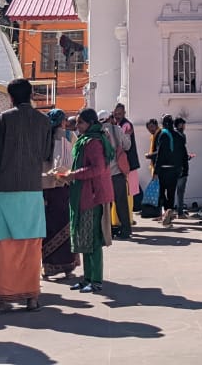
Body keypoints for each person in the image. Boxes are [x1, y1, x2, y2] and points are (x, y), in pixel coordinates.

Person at [0, 78, 51, 313]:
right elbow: (46, 153)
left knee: (6, 245)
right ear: (31, 95)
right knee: (31, 244)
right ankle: (32, 297)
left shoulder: (5, 118)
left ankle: (3, 298)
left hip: (8, 188)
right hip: (33, 188)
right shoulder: (44, 121)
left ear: (11, 97)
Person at [59, 107, 114, 293]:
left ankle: (96, 280)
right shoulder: (85, 140)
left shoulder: (94, 142)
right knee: (84, 239)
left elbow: (97, 168)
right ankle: (87, 278)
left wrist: (73, 175)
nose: (78, 126)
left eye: (81, 123)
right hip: (84, 194)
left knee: (93, 241)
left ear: (90, 123)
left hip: (92, 195)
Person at [43, 110, 79, 278]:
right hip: (62, 185)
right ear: (63, 121)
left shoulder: (42, 137)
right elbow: (76, 157)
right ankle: (67, 266)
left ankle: (47, 266)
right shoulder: (69, 135)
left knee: (47, 226)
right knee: (64, 225)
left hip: (43, 187)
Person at [101, 109, 132, 238]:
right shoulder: (117, 129)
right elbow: (127, 146)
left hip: (103, 175)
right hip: (118, 173)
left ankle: (106, 231)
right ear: (110, 118)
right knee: (121, 203)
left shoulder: (97, 133)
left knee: (106, 205)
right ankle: (125, 230)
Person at [151, 114, 182, 226]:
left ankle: (167, 211)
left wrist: (155, 171)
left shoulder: (163, 135)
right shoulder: (178, 135)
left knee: (161, 192)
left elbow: (160, 154)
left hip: (164, 169)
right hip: (175, 169)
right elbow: (182, 152)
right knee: (171, 192)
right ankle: (169, 211)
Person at [172, 117, 192, 216]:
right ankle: (180, 212)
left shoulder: (169, 135)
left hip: (171, 166)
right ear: (180, 125)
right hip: (182, 166)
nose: (184, 127)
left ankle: (168, 212)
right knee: (180, 191)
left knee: (171, 191)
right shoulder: (181, 136)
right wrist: (186, 157)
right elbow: (182, 151)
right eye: (183, 125)